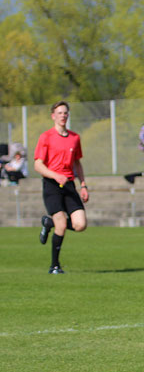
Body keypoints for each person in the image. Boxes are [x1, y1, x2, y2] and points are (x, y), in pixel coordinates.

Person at [34, 101, 89, 274]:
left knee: (80, 224)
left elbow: (77, 163)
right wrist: (55, 175)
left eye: (65, 113)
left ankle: (48, 222)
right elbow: (38, 165)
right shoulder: (46, 137)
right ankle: (55, 266)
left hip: (69, 185)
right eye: (59, 113)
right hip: (52, 185)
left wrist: (84, 185)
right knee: (61, 224)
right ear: (53, 116)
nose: (63, 116)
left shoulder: (75, 137)